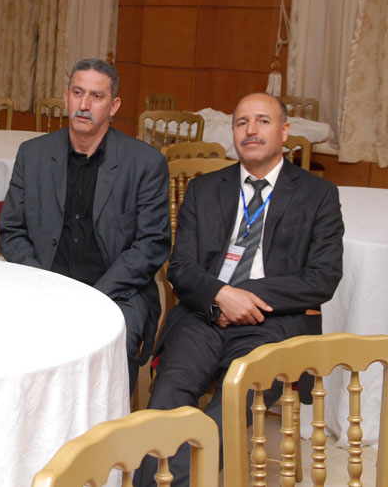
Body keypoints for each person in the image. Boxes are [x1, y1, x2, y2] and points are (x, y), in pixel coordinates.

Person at [135, 93, 344, 487]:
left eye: (263, 121)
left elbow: (322, 278)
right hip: (204, 315)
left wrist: (244, 295)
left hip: (272, 324)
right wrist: (220, 295)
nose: (251, 130)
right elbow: (181, 267)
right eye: (241, 122)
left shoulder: (318, 195)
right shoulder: (204, 189)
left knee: (232, 402)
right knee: (167, 395)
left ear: (284, 130)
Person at [0, 58, 171, 390]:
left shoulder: (145, 164)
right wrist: (43, 282)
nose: (84, 104)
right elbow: (11, 231)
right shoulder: (33, 154)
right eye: (78, 93)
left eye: (96, 96)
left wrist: (95, 296)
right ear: (66, 97)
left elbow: (151, 245)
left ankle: (107, 424)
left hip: (116, 291)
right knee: (5, 338)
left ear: (113, 106)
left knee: (112, 344)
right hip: (43, 283)